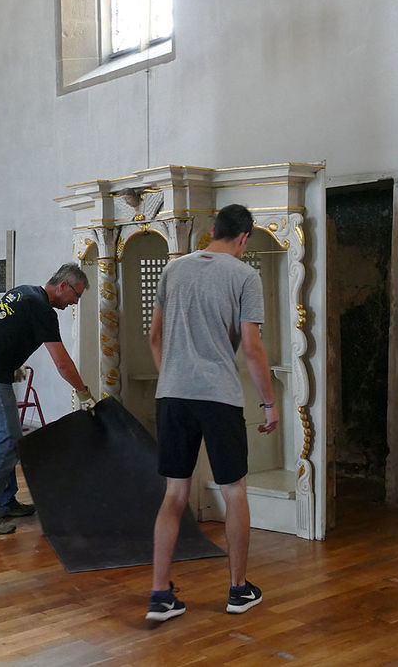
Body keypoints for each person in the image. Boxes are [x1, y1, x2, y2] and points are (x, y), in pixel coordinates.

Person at [145, 204, 279, 622]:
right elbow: (253, 349)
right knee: (233, 490)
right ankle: (239, 590)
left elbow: (154, 336)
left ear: (213, 231)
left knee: (174, 494)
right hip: (219, 397)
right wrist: (269, 402)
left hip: (172, 395)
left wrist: (172, 376)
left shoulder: (174, 269)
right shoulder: (244, 275)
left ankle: (160, 595)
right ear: (243, 238)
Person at [0, 263, 96, 535]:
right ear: (63, 286)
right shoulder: (43, 311)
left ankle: (5, 500)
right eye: (76, 295)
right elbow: (62, 363)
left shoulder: (22, 292)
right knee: (9, 440)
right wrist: (84, 393)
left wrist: (7, 359)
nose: (75, 302)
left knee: (10, 438)